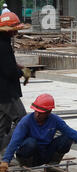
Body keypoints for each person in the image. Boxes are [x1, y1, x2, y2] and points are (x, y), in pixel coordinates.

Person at [0, 93, 77, 172]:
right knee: (31, 142)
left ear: (48, 112)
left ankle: (52, 165)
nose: (37, 114)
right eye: (36, 111)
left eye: (41, 112)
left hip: (45, 153)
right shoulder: (26, 121)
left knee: (67, 138)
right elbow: (15, 141)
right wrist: (5, 161)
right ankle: (26, 166)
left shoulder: (54, 120)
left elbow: (71, 132)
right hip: (29, 154)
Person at [0, 12, 31, 152]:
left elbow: (7, 64)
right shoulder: (3, 45)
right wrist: (20, 72)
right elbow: (8, 70)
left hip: (2, 92)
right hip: (7, 93)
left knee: (3, 124)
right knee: (22, 121)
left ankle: (2, 152)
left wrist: (19, 67)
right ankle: (9, 149)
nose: (16, 32)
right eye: (15, 29)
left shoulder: (3, 42)